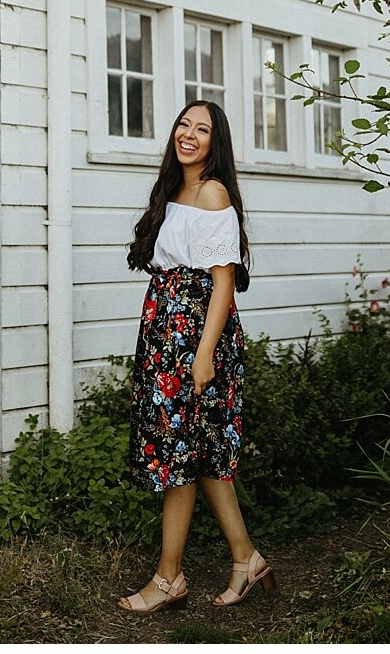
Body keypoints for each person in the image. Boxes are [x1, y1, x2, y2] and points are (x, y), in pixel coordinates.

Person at [117, 100, 275, 614]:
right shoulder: (175, 190)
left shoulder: (211, 192)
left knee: (180, 455)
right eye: (183, 124)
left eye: (201, 129)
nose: (188, 134)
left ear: (216, 141)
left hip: (196, 335)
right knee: (198, 453)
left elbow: (223, 281)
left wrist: (203, 355)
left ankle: (168, 579)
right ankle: (246, 559)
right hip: (166, 331)